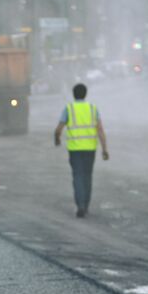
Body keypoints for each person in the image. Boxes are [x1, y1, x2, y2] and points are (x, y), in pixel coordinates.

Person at [53, 82, 109, 217]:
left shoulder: (69, 108)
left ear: (73, 94)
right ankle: (86, 204)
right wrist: (104, 149)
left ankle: (80, 205)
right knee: (87, 176)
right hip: (90, 149)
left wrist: (57, 139)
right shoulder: (92, 108)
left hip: (75, 150)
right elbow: (100, 130)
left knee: (77, 176)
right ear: (85, 94)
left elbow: (59, 128)